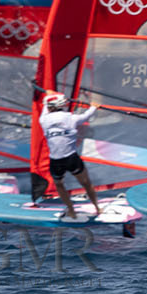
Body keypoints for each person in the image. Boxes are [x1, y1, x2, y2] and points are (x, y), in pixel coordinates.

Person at [38, 92, 103, 220]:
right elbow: (86, 116)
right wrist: (94, 107)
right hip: (71, 158)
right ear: (62, 105)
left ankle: (72, 211)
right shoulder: (71, 118)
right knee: (86, 183)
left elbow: (45, 107)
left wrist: (49, 95)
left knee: (59, 185)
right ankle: (97, 208)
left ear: (50, 107)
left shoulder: (43, 120)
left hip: (55, 161)